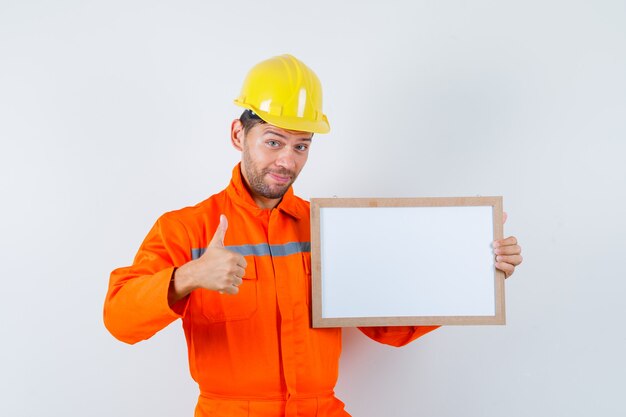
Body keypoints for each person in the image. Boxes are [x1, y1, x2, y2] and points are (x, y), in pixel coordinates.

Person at [103, 54, 523, 417]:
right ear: (238, 135)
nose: (287, 161)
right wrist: (189, 276)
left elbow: (390, 329)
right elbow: (120, 319)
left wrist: (472, 270)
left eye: (301, 146)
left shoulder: (327, 228)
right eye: (273, 141)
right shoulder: (187, 228)